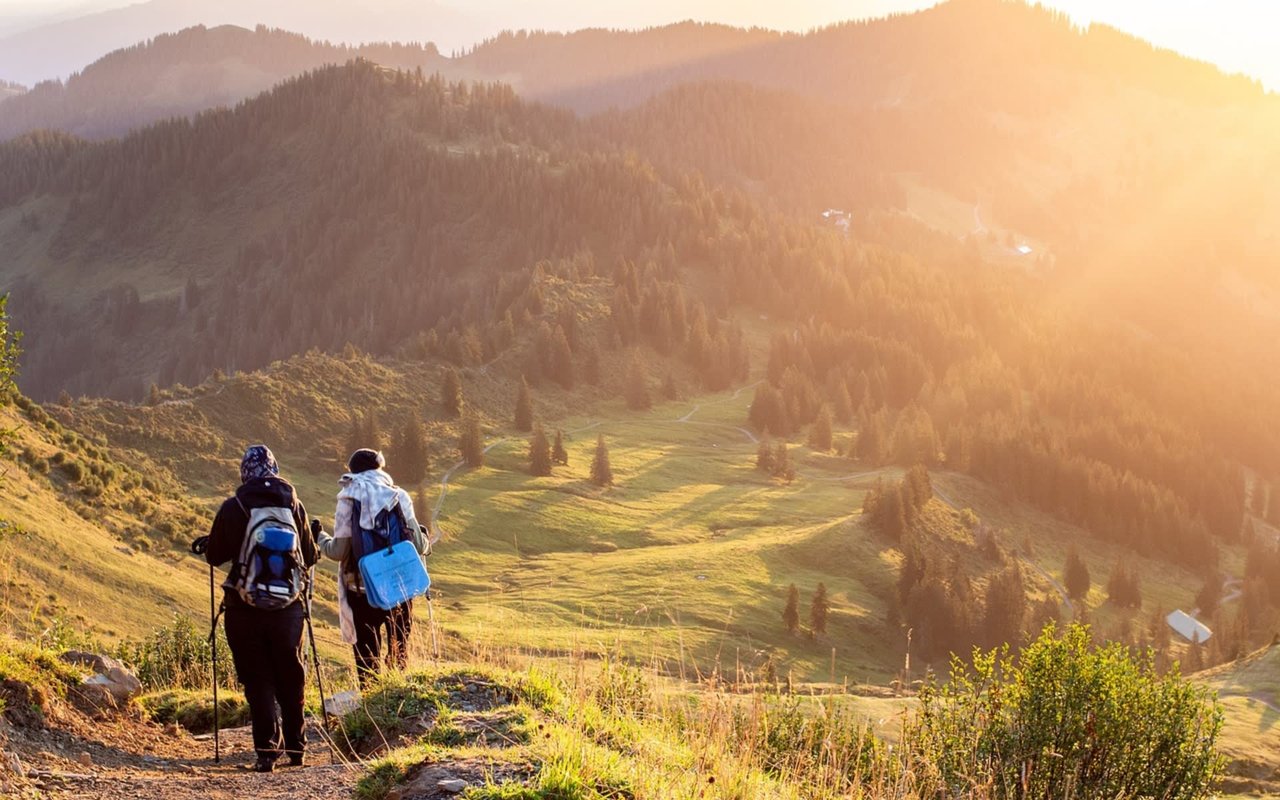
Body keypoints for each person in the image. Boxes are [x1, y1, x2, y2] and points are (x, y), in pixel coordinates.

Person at [204, 445, 317, 773]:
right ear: (274, 469)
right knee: (291, 675)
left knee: (257, 677)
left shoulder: (234, 506)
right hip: (289, 609)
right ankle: (297, 748)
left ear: (245, 472)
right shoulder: (294, 505)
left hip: (244, 607)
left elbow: (215, 556)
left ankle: (267, 751)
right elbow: (308, 556)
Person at [314, 448, 429, 687]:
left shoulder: (348, 497)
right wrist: (425, 539)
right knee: (399, 654)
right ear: (380, 468)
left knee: (367, 659)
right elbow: (417, 545)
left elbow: (338, 552)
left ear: (353, 472)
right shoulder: (399, 495)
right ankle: (399, 706)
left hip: (362, 589)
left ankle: (370, 708)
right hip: (400, 588)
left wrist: (320, 537)